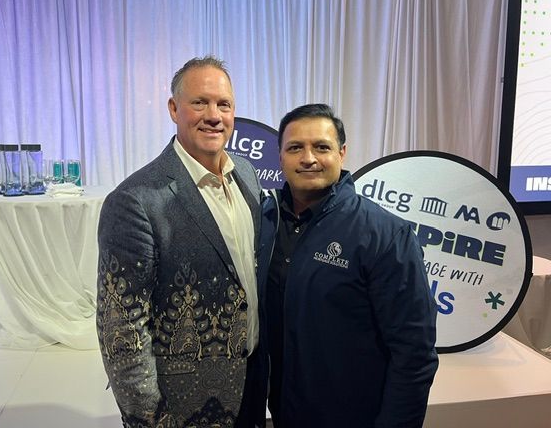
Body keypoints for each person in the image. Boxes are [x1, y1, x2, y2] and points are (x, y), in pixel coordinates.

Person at [97, 56, 268, 428]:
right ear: (174, 109)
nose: (214, 115)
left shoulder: (247, 175)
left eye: (223, 104)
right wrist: (149, 418)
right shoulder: (134, 200)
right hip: (184, 401)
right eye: (199, 103)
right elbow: (122, 327)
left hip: (252, 382)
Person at [259, 103, 438, 427]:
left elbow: (414, 354)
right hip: (285, 413)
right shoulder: (264, 223)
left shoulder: (384, 235)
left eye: (321, 147)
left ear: (341, 153)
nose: (308, 158)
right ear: (280, 156)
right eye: (295, 148)